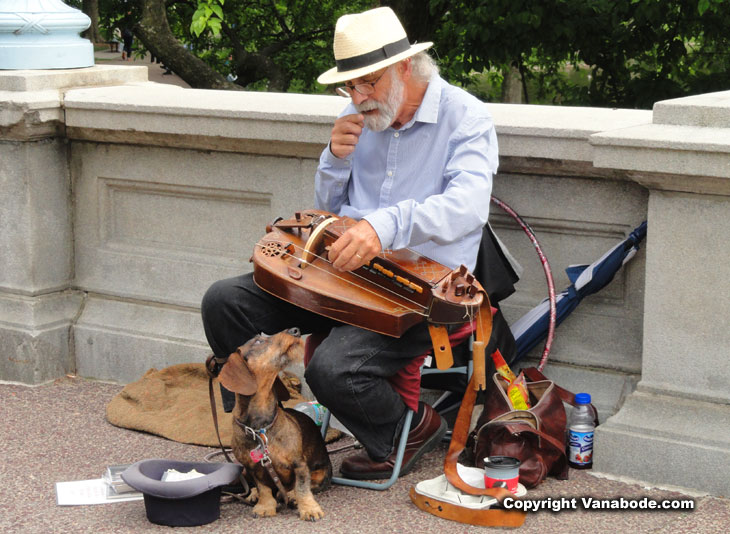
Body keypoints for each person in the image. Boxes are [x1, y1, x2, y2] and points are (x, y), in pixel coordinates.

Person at [201, 6, 517, 481]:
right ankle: (261, 426)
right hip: (342, 272)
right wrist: (334, 158)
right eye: (349, 86)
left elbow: (467, 208)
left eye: (368, 83)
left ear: (405, 67)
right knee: (225, 302)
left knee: (332, 368)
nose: (357, 97)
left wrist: (384, 226)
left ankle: (405, 432)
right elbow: (326, 208)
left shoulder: (465, 117)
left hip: (419, 290)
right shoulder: (357, 115)